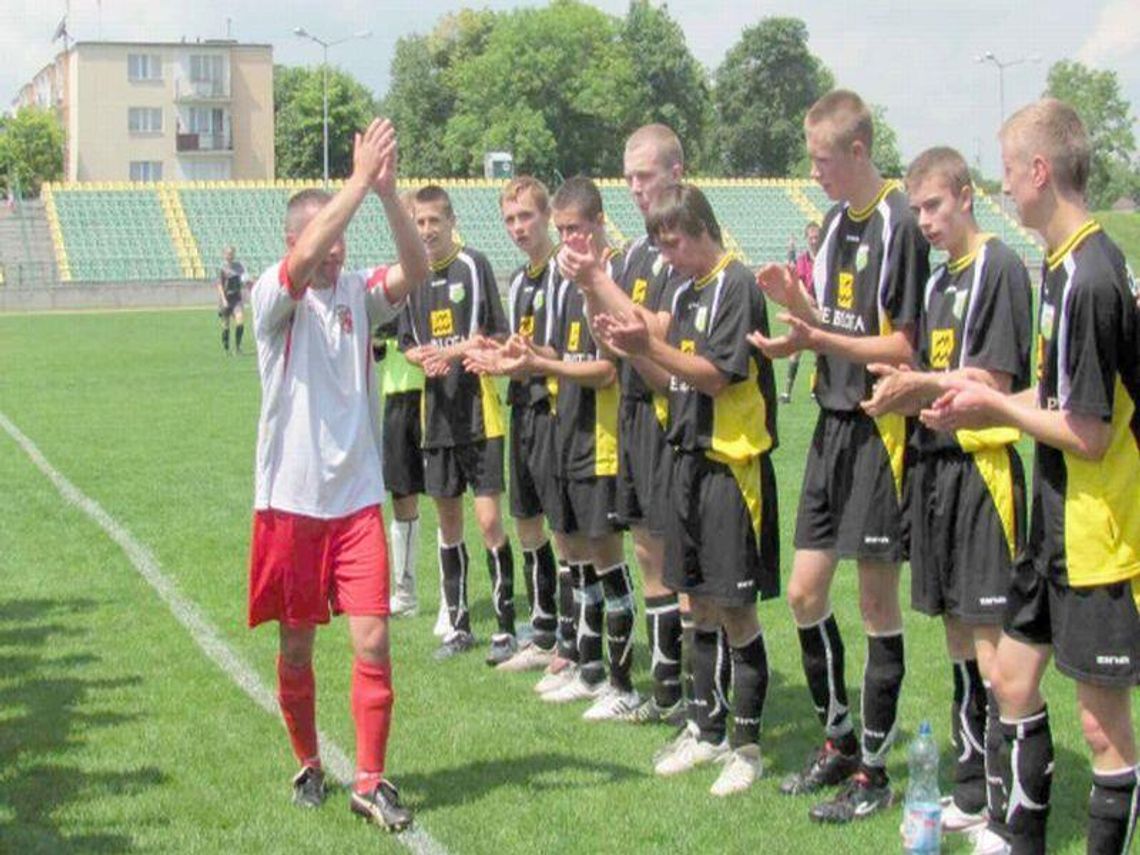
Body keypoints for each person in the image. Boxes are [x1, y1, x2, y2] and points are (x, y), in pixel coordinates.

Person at [922, 99, 1140, 855]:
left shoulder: (1092, 275)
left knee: (1102, 729)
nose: (1004, 186)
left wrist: (993, 407)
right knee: (1011, 683)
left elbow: (1089, 432)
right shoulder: (1058, 264)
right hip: (1052, 525)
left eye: (1010, 170)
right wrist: (973, 397)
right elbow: (1054, 396)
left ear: (1040, 171)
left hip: (1098, 531)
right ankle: (1021, 839)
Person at [751, 89, 929, 823]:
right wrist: (797, 311)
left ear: (858, 150)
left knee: (877, 602)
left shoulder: (900, 223)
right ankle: (839, 738)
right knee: (803, 594)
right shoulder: (831, 224)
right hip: (830, 424)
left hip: (879, 430)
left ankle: (876, 773)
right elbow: (832, 322)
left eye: (822, 159)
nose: (814, 171)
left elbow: (905, 346)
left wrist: (819, 336)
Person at [246, 118, 429, 831]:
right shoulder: (273, 295)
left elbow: (415, 270)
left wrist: (385, 193)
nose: (334, 255)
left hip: (355, 504)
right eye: (324, 241)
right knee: (296, 644)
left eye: (340, 244)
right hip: (291, 505)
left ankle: (370, 779)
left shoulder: (357, 290)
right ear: (297, 239)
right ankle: (308, 761)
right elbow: (301, 265)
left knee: (374, 639)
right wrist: (356, 180)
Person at [861, 146, 1033, 835]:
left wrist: (922, 383)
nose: (925, 221)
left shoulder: (1000, 266)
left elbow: (995, 380)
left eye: (934, 205)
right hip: (933, 472)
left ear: (965, 195)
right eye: (917, 210)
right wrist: (901, 396)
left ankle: (1008, 803)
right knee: (958, 637)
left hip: (982, 474)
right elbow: (938, 381)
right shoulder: (937, 282)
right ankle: (971, 786)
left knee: (993, 647)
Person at [594, 183, 779, 797]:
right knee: (694, 604)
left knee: (735, 608)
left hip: (731, 466)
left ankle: (746, 748)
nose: (667, 258)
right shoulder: (682, 289)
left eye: (673, 244)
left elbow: (716, 377)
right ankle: (706, 728)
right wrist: (633, 352)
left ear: (702, 230)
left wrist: (649, 345)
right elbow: (666, 379)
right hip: (686, 462)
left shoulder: (737, 285)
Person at [557, 124, 710, 728]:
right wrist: (592, 290)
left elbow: (659, 332)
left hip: (674, 416)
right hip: (633, 410)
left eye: (644, 175)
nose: (635, 188)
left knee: (682, 562)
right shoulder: (635, 254)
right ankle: (665, 691)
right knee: (648, 551)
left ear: (676, 173)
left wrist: (597, 282)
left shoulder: (684, 248)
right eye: (628, 178)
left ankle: (696, 698)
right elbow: (615, 340)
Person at [483, 177, 639, 718]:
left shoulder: (603, 277)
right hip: (567, 426)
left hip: (599, 435)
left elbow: (604, 368)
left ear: (597, 223)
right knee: (577, 551)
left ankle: (618, 681)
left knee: (605, 557)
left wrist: (536, 363)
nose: (570, 238)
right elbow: (559, 351)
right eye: (565, 229)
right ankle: (585, 664)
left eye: (576, 228)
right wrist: (517, 357)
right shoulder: (564, 282)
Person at [398, 185, 517, 665]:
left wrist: (451, 352)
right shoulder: (412, 277)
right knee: (449, 525)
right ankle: (460, 625)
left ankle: (506, 627)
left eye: (434, 221)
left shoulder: (473, 265)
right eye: (420, 223)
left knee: (488, 521)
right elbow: (407, 343)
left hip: (478, 414)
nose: (427, 230)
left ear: (451, 221)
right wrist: (422, 358)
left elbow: (495, 334)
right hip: (437, 418)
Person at [470, 177, 565, 673]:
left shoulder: (564, 272)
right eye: (510, 219)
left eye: (526, 216)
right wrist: (500, 353)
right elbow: (524, 348)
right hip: (523, 407)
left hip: (557, 412)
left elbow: (566, 351)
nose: (518, 227)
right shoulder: (521, 280)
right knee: (527, 522)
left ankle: (572, 638)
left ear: (547, 216)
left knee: (565, 530)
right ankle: (544, 631)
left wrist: (524, 357)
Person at [373, 188, 426, 620]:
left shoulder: (440, 274)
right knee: (402, 493)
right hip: (397, 395)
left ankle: (453, 604)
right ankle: (405, 592)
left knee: (449, 497)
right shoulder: (392, 280)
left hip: (434, 393)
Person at [780, 221, 822, 403]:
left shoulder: (825, 258)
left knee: (819, 351)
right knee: (795, 349)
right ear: (806, 239)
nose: (814, 240)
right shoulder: (802, 260)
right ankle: (787, 392)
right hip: (802, 310)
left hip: (819, 311)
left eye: (816, 237)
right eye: (811, 237)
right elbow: (797, 282)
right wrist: (806, 298)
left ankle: (815, 390)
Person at [217, 245, 249, 354]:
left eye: (232, 253)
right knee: (226, 326)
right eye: (228, 254)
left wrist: (246, 283)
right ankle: (226, 347)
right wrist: (224, 300)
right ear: (224, 255)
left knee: (240, 322)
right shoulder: (223, 268)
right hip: (226, 299)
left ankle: (238, 347)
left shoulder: (239, 266)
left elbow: (244, 278)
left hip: (237, 299)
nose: (230, 256)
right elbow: (220, 285)